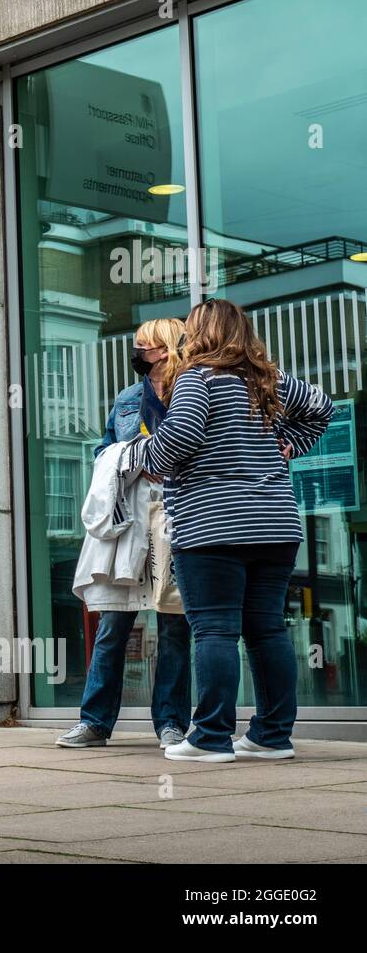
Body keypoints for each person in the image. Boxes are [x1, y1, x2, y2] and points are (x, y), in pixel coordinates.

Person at [136, 299, 332, 762]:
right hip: (275, 526)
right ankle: (271, 735)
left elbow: (181, 436)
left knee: (215, 631)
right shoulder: (268, 379)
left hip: (212, 526)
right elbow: (321, 406)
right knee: (266, 629)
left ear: (200, 333)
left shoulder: (198, 377)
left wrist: (147, 460)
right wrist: (291, 445)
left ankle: (210, 738)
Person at [57, 318, 193, 750]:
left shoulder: (193, 392)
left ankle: (171, 722)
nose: (137, 353)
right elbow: (103, 450)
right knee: (114, 622)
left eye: (145, 346)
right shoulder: (128, 398)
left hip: (175, 518)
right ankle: (94, 721)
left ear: (167, 349)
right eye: (136, 346)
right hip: (131, 520)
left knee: (173, 624)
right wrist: (129, 456)